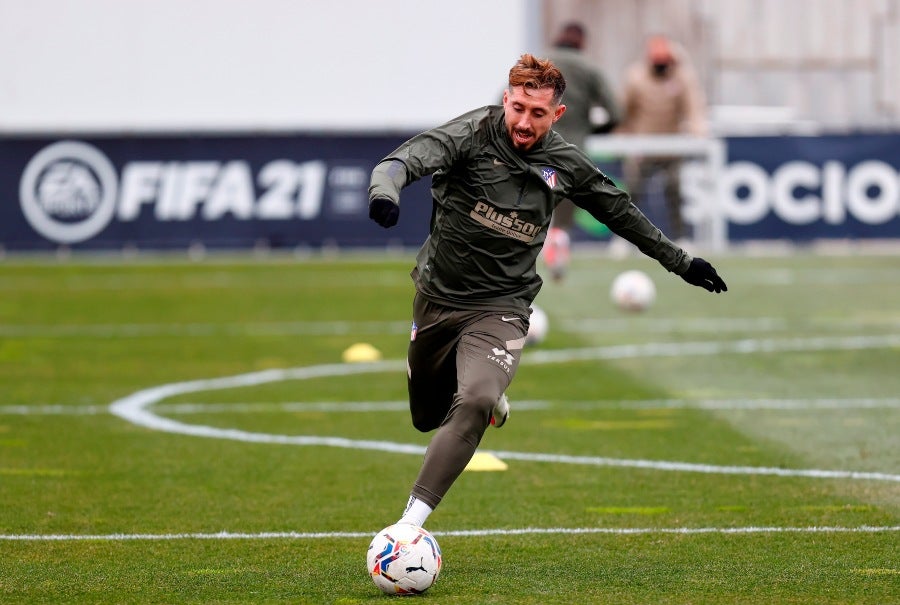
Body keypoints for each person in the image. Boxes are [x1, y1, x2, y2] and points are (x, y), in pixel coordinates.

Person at [368, 53, 726, 529]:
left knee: (471, 400)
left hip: (504, 305)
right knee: (426, 416)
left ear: (557, 114)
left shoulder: (564, 162)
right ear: (506, 100)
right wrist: (384, 193)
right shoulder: (470, 134)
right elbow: (399, 162)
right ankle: (487, 394)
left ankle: (407, 527)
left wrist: (681, 263)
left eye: (537, 113)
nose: (524, 121)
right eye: (518, 107)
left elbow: (620, 212)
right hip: (437, 298)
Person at [541, 22, 622, 281]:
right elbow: (616, 112)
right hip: (572, 152)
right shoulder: (590, 69)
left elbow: (504, 101)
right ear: (582, 43)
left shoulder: (539, 64)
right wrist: (593, 130)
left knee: (532, 203)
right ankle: (558, 242)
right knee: (563, 208)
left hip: (535, 148)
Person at [619, 34, 709, 241]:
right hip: (643, 148)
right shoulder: (635, 77)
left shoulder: (681, 77)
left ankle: (680, 237)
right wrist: (623, 137)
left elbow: (693, 107)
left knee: (675, 190)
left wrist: (698, 132)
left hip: (671, 148)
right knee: (631, 194)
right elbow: (624, 110)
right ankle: (622, 239)